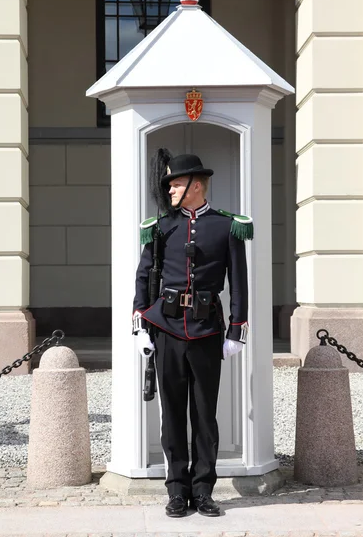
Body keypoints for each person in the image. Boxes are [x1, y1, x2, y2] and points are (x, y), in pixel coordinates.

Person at [132, 151, 253, 518]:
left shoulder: (226, 225)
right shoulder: (161, 226)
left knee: (204, 416)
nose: (169, 189)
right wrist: (140, 325)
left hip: (205, 331)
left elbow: (239, 282)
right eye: (168, 184)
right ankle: (176, 491)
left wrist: (236, 329)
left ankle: (203, 490)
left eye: (176, 184)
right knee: (171, 414)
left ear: (195, 186)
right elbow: (144, 275)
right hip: (166, 328)